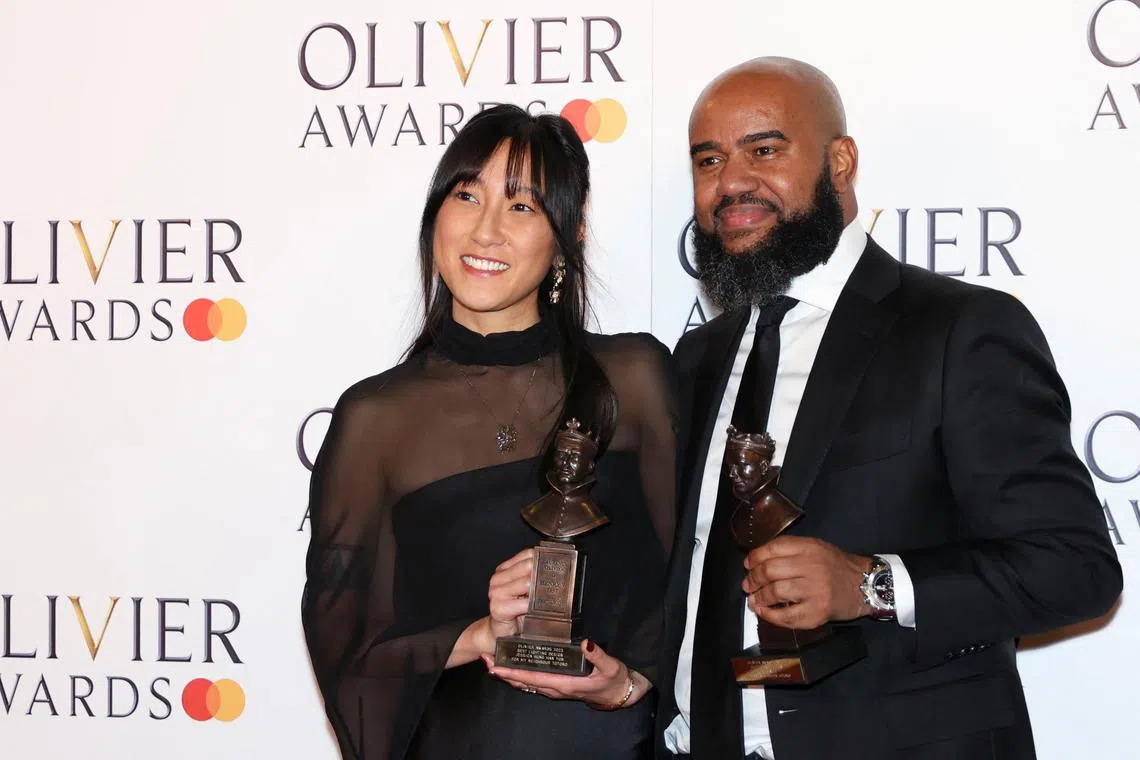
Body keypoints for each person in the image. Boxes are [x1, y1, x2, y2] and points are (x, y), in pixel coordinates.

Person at [658, 57, 1123, 760]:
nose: (732, 183)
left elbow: (1075, 566)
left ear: (840, 161)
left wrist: (872, 585)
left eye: (765, 149)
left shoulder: (960, 329)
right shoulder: (694, 362)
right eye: (709, 159)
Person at [300, 104, 678, 760]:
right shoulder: (375, 420)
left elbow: (694, 576)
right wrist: (476, 634)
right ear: (435, 217)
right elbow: (346, 644)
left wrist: (629, 683)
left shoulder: (634, 377)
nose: (486, 229)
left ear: (568, 234)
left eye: (522, 207)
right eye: (467, 195)